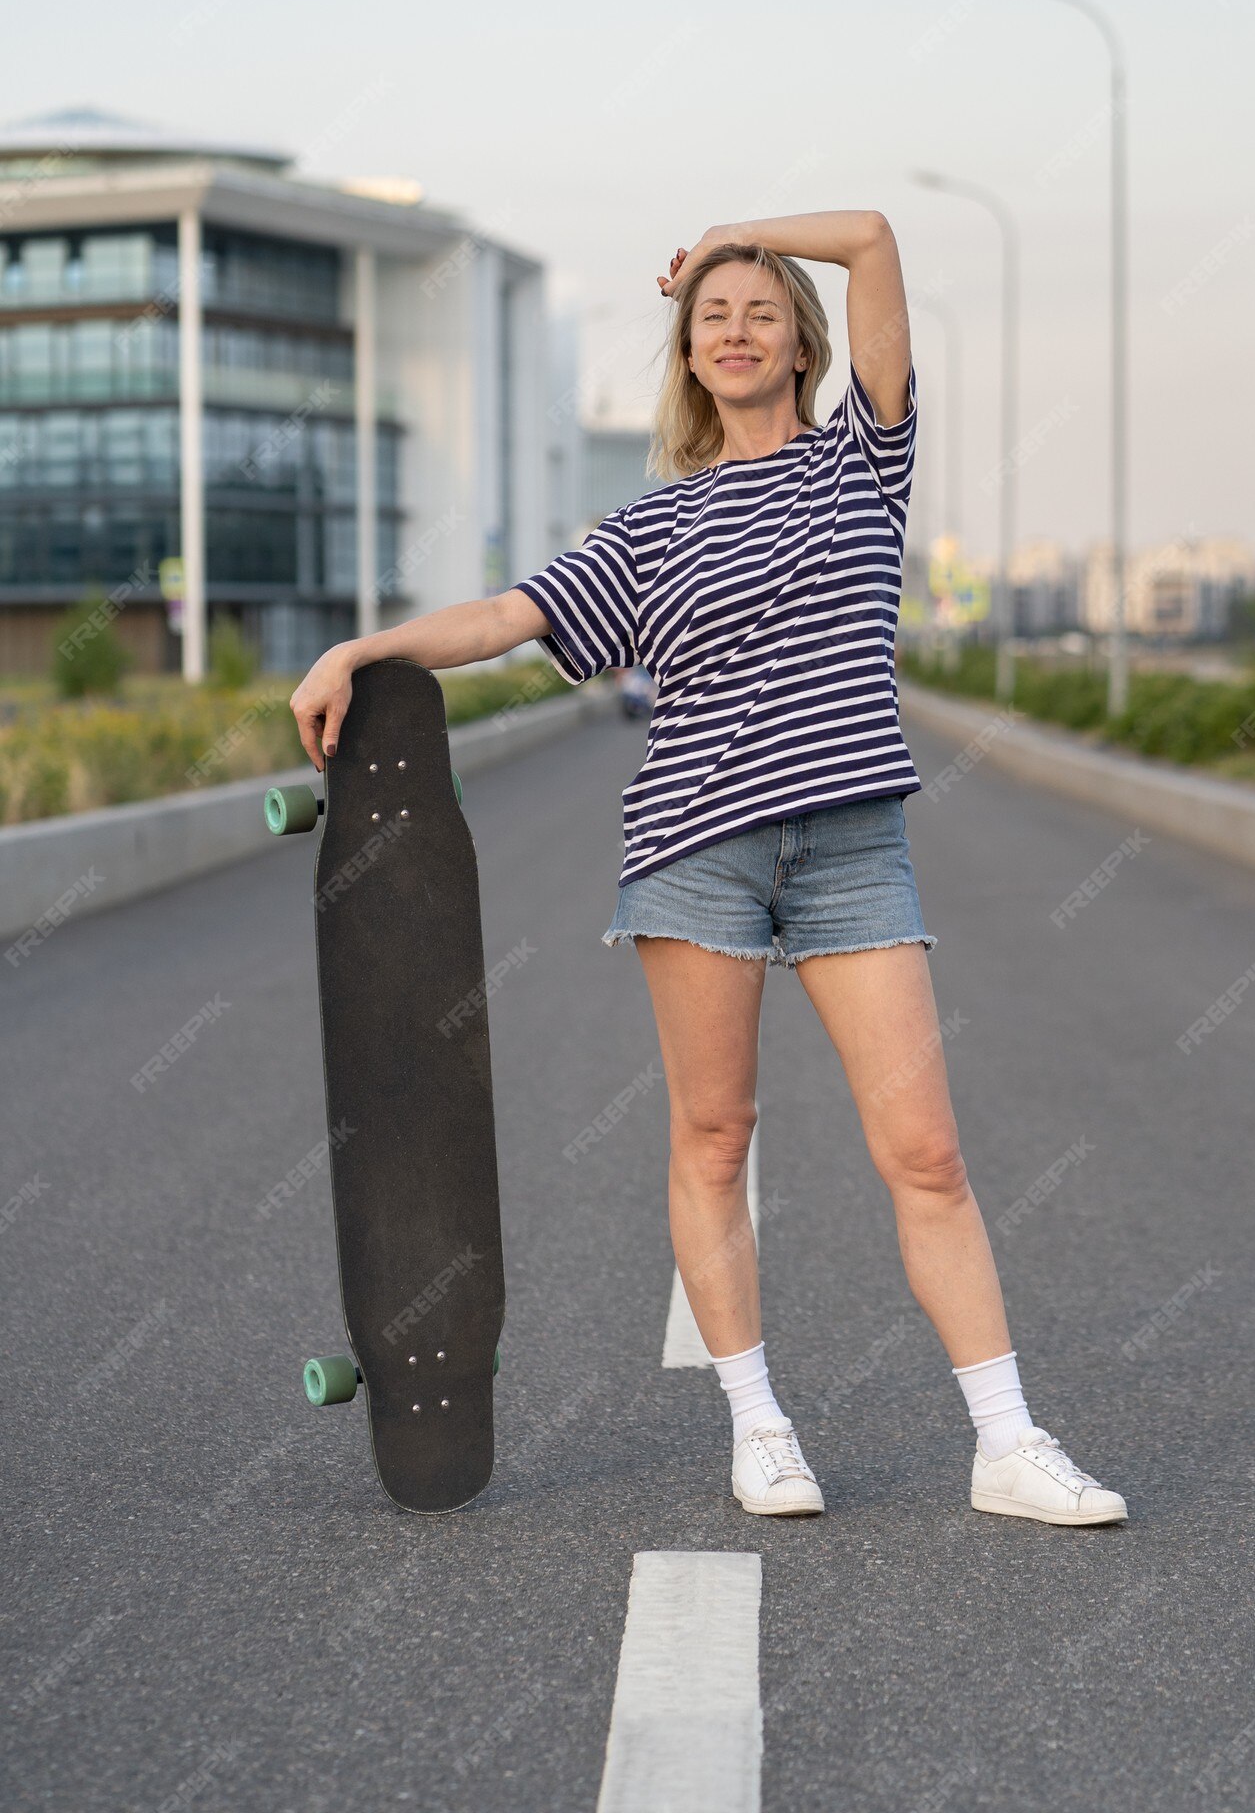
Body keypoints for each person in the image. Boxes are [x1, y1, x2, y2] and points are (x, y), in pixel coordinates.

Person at [290, 210, 1127, 1528]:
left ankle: (1006, 1441)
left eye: (757, 312)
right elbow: (508, 617)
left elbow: (870, 240)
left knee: (924, 1151)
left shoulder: (864, 460)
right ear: (690, 357)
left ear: (799, 340)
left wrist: (734, 233)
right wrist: (361, 651)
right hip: (697, 853)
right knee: (713, 1135)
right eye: (710, 319)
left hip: (855, 850)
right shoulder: (648, 526)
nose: (733, 332)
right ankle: (759, 1427)